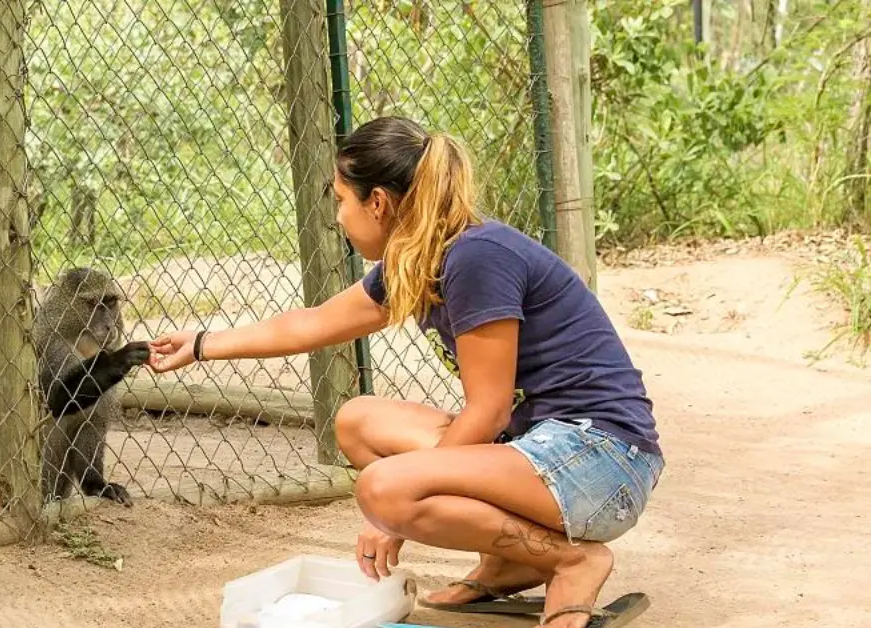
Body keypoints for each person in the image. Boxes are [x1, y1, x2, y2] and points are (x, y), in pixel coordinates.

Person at [144, 116, 664, 628]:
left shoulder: (477, 257)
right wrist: (202, 345)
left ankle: (572, 560)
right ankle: (515, 559)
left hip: (603, 459)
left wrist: (389, 513)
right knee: (359, 421)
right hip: (542, 450)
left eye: (341, 201)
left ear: (378, 203)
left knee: (384, 491)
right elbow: (312, 323)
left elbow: (488, 411)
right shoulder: (422, 258)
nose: (338, 217)